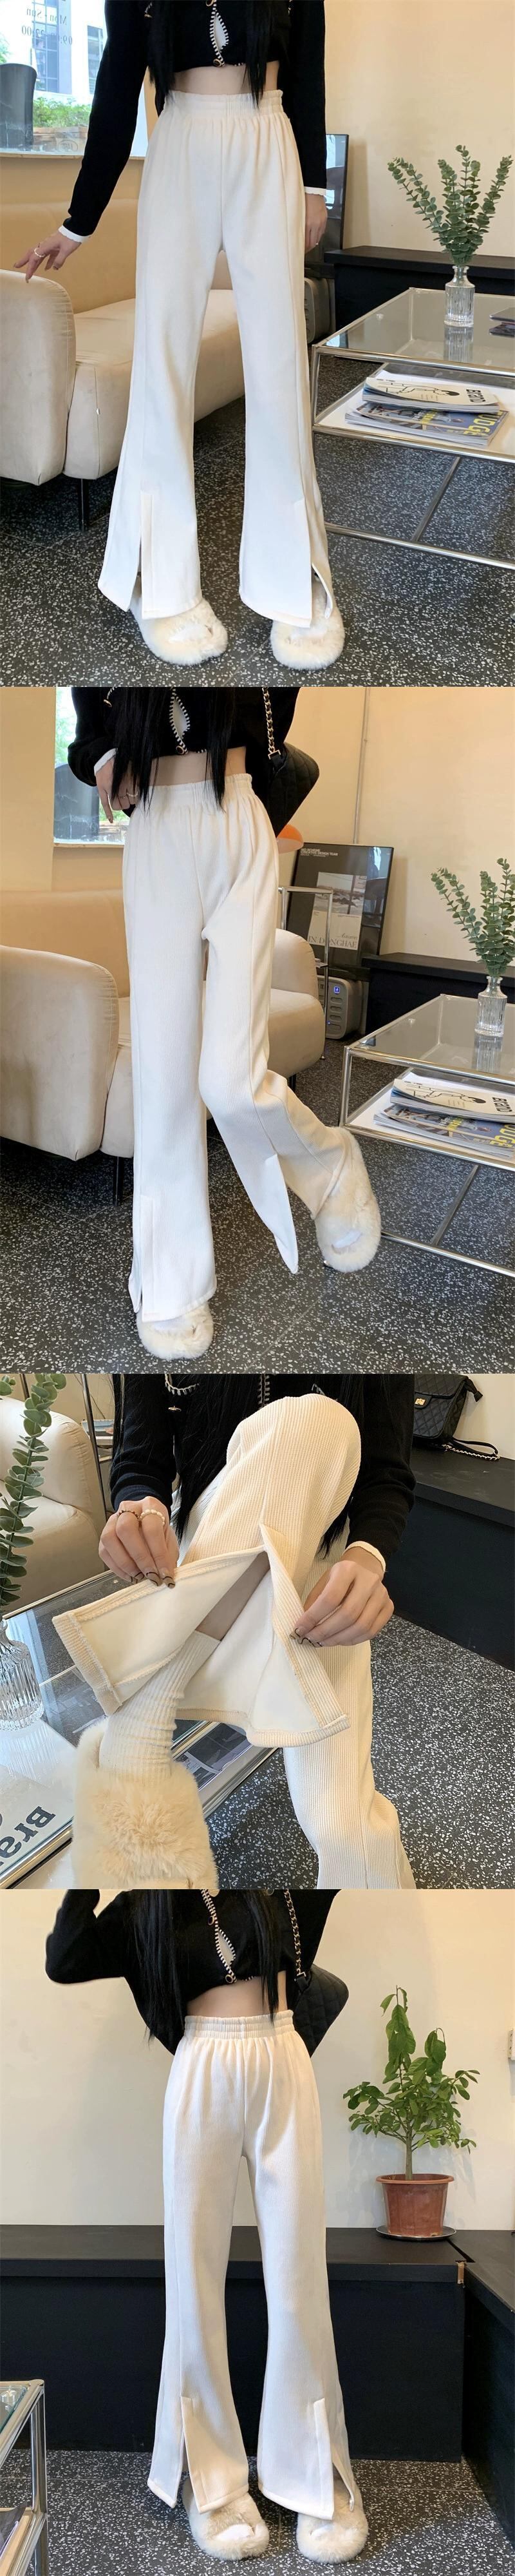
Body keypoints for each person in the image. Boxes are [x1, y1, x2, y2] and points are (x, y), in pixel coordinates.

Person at [17, 3, 344, 673]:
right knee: (161, 366)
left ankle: (296, 573)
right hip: (180, 141)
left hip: (268, 136)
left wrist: (315, 186)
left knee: (279, 365)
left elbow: (307, 71)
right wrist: (79, 220)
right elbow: (118, 82)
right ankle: (156, 576)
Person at [45, 1887, 369, 2563]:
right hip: (202, 2063)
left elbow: (331, 1884)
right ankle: (212, 2477)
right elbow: (66, 1958)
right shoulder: (149, 1901)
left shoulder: (265, 1876)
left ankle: (318, 2471)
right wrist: (97, 1869)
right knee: (193, 2280)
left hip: (283, 2056)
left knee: (300, 2280)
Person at [68, 688, 381, 1361]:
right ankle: (171, 1282)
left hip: (238, 812)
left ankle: (329, 1165)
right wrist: (103, 758)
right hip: (154, 828)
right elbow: (89, 726)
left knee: (232, 1080)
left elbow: (274, 708)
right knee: (165, 1083)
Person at [81, 1372, 416, 1889]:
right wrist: (138, 1505)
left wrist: (368, 1557)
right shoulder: (167, 1325)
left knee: (343, 1826)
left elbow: (386, 1470)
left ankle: (146, 1695)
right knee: (313, 1418)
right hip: (210, 1546)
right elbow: (141, 1456)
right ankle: (149, 1703)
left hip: (320, 1576)